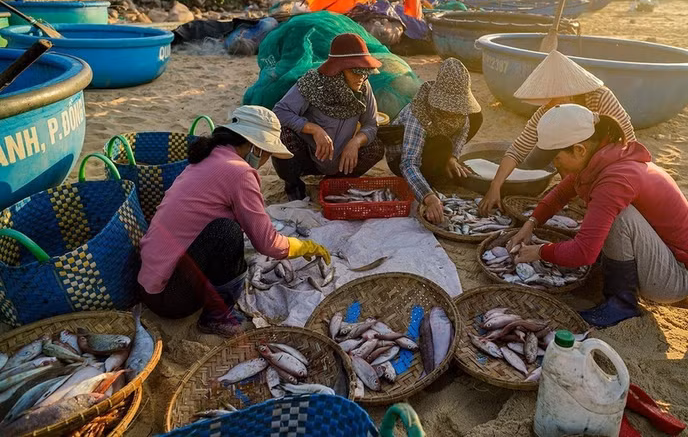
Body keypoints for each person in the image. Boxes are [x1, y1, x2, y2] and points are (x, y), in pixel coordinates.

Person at [138, 106, 331, 337]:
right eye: (267, 152)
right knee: (226, 232)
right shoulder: (239, 172)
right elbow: (267, 244)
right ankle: (216, 318)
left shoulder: (209, 158)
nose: (267, 160)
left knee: (228, 230)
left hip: (147, 284)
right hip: (170, 299)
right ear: (255, 147)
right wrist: (303, 246)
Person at [507, 104, 688, 327]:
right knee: (604, 215)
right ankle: (617, 279)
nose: (555, 165)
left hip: (674, 278)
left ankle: (622, 304)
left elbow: (583, 253)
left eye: (557, 158)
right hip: (658, 256)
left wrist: (538, 252)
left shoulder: (616, 177)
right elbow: (561, 193)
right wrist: (531, 223)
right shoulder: (600, 158)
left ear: (579, 150)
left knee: (620, 216)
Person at [478, 51, 635, 216]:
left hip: (608, 165)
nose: (549, 103)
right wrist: (495, 186)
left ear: (569, 92)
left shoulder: (600, 98)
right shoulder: (548, 111)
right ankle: (577, 191)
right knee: (559, 155)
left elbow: (628, 141)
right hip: (577, 167)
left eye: (553, 97)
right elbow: (517, 149)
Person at [273, 33, 385, 200]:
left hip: (342, 157)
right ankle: (293, 185)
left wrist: (356, 142)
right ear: (339, 70)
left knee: (376, 147)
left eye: (365, 72)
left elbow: (371, 123)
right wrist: (313, 129)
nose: (362, 77)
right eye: (356, 72)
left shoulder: (363, 86)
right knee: (283, 136)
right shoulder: (312, 83)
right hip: (311, 154)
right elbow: (279, 112)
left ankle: (333, 181)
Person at [384, 58, 482, 223]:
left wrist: (452, 157)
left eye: (457, 107)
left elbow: (462, 132)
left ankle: (441, 165)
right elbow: (408, 163)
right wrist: (428, 197)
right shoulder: (418, 113)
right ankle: (427, 180)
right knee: (441, 144)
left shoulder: (461, 112)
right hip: (401, 159)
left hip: (434, 150)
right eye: (451, 108)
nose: (455, 113)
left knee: (476, 118)